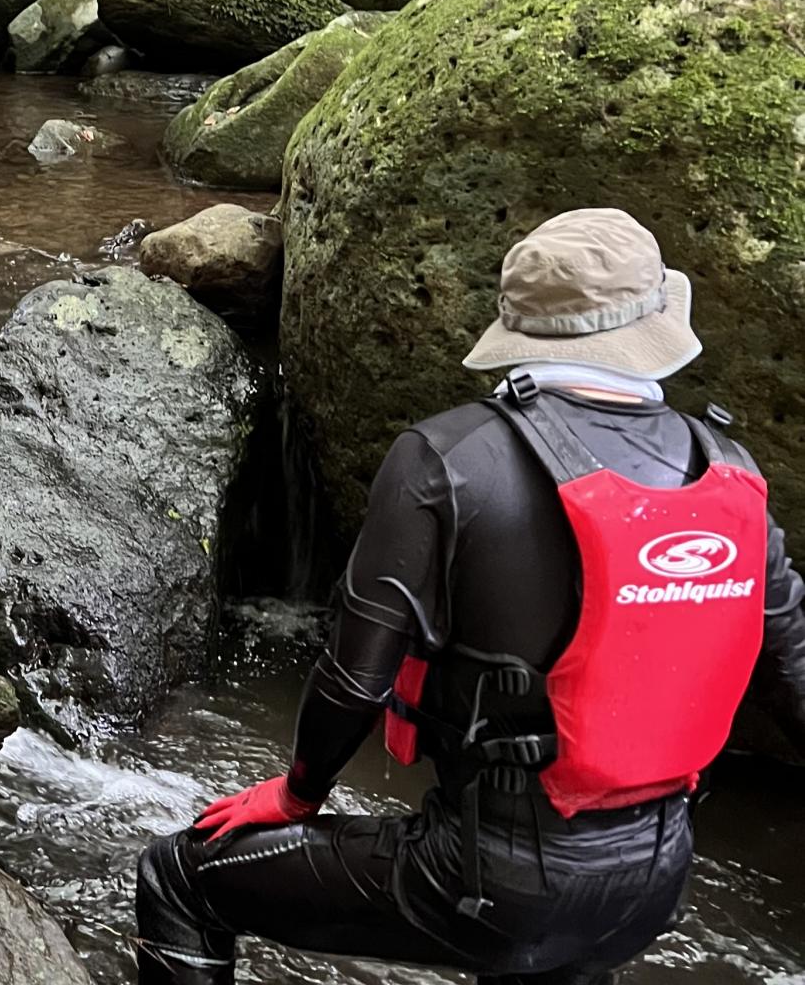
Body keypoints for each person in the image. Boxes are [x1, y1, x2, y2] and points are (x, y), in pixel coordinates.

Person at [135, 208, 805, 985]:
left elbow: (356, 677)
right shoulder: (730, 472)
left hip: (487, 882)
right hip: (654, 883)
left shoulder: (448, 456)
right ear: (655, 323)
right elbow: (793, 675)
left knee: (180, 876)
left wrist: (296, 793)